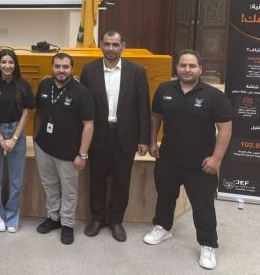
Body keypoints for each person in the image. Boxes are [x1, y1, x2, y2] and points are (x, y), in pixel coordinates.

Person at [143, 50, 232, 270]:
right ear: (177, 68)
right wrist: (153, 141)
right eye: (183, 65)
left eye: (192, 66)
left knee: (203, 206)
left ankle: (208, 244)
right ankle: (163, 227)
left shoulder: (214, 96)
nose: (187, 69)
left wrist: (216, 158)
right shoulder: (164, 89)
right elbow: (156, 116)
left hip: (201, 163)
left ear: (200, 69)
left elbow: (225, 129)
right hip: (168, 158)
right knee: (165, 197)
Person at [80, 30, 151, 242]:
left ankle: (116, 221)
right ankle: (97, 219)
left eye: (115, 44)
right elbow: (83, 106)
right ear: (101, 45)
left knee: (122, 180)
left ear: (123, 47)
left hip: (125, 136)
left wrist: (144, 138)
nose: (111, 48)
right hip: (98, 135)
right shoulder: (89, 70)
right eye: (107, 44)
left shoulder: (137, 71)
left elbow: (143, 107)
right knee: (97, 180)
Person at [34, 52, 94, 245]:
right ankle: (54, 218)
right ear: (52, 67)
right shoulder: (44, 85)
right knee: (50, 186)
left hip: (69, 153)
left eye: (65, 67)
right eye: (57, 66)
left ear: (72, 68)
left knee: (69, 191)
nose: (61, 70)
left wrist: (82, 154)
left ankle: (67, 224)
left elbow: (89, 125)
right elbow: (39, 112)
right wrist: (36, 139)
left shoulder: (81, 92)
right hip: (44, 148)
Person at [0, 49, 35, 233]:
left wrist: (13, 138)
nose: (7, 65)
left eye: (11, 62)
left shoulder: (23, 85)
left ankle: (12, 214)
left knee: (15, 179)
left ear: (15, 65)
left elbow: (26, 114)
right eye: (3, 62)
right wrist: (0, 139)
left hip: (16, 132)